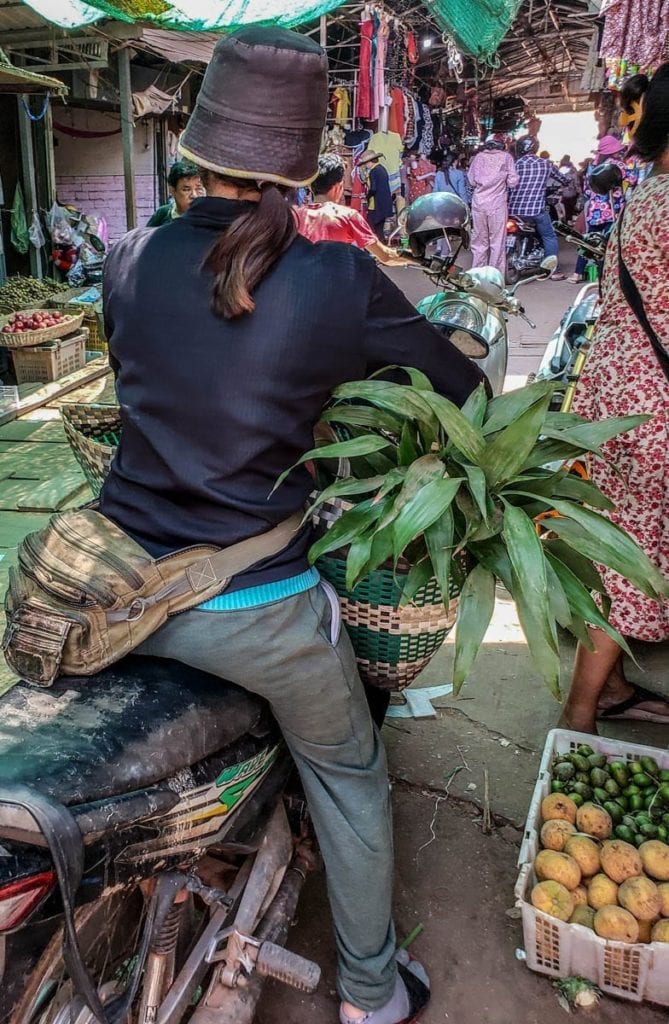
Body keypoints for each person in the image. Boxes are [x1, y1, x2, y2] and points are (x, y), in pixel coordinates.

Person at [100, 27, 486, 1024]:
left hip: (122, 586)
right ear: (301, 163)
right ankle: (369, 993)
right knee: (351, 773)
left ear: (195, 145)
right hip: (254, 610)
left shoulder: (127, 258)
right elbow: (461, 386)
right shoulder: (331, 278)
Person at [560, 64, 669, 734]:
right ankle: (578, 711)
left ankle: (612, 687)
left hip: (612, 390)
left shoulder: (642, 194)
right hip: (653, 403)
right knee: (630, 555)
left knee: (612, 544)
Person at [295, 154, 407, 265]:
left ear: (310, 186)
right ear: (339, 186)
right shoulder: (348, 216)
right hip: (335, 279)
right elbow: (386, 256)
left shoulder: (295, 216)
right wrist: (415, 259)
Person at [567, 135, 638, 283]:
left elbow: (586, 191)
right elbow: (633, 180)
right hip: (612, 211)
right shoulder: (617, 165)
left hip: (593, 212)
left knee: (588, 242)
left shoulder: (592, 166)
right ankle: (604, 276)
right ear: (613, 151)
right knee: (608, 243)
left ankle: (577, 274)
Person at [509, 136, 566, 279]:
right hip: (536, 210)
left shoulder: (514, 165)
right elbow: (564, 179)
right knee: (549, 236)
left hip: (513, 211)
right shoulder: (546, 164)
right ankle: (554, 271)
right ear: (535, 148)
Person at [467, 133, 518, 275]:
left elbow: (471, 180)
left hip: (478, 204)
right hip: (497, 205)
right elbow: (513, 182)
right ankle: (494, 277)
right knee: (497, 242)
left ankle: (476, 275)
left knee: (479, 242)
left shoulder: (478, 158)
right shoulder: (506, 157)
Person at [147, 160, 204, 226]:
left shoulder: (211, 218)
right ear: (172, 190)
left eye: (199, 189)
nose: (194, 195)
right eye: (186, 190)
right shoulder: (162, 214)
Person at [358, 150, 394, 241]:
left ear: (370, 162)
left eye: (366, 163)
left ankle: (370, 249)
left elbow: (373, 188)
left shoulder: (373, 171)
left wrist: (367, 197)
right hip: (384, 203)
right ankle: (382, 247)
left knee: (370, 228)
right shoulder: (382, 168)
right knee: (379, 229)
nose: (366, 165)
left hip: (376, 205)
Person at [557, 154, 580, 222]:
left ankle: (564, 219)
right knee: (570, 206)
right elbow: (576, 180)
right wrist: (578, 189)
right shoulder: (572, 169)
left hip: (562, 190)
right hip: (571, 190)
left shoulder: (560, 168)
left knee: (563, 205)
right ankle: (569, 219)